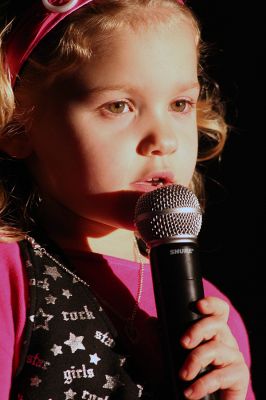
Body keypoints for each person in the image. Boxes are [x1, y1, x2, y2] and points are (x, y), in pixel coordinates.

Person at [0, 0, 254, 399]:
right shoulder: (9, 277)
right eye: (118, 106)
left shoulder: (212, 315)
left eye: (180, 105)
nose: (164, 140)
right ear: (17, 124)